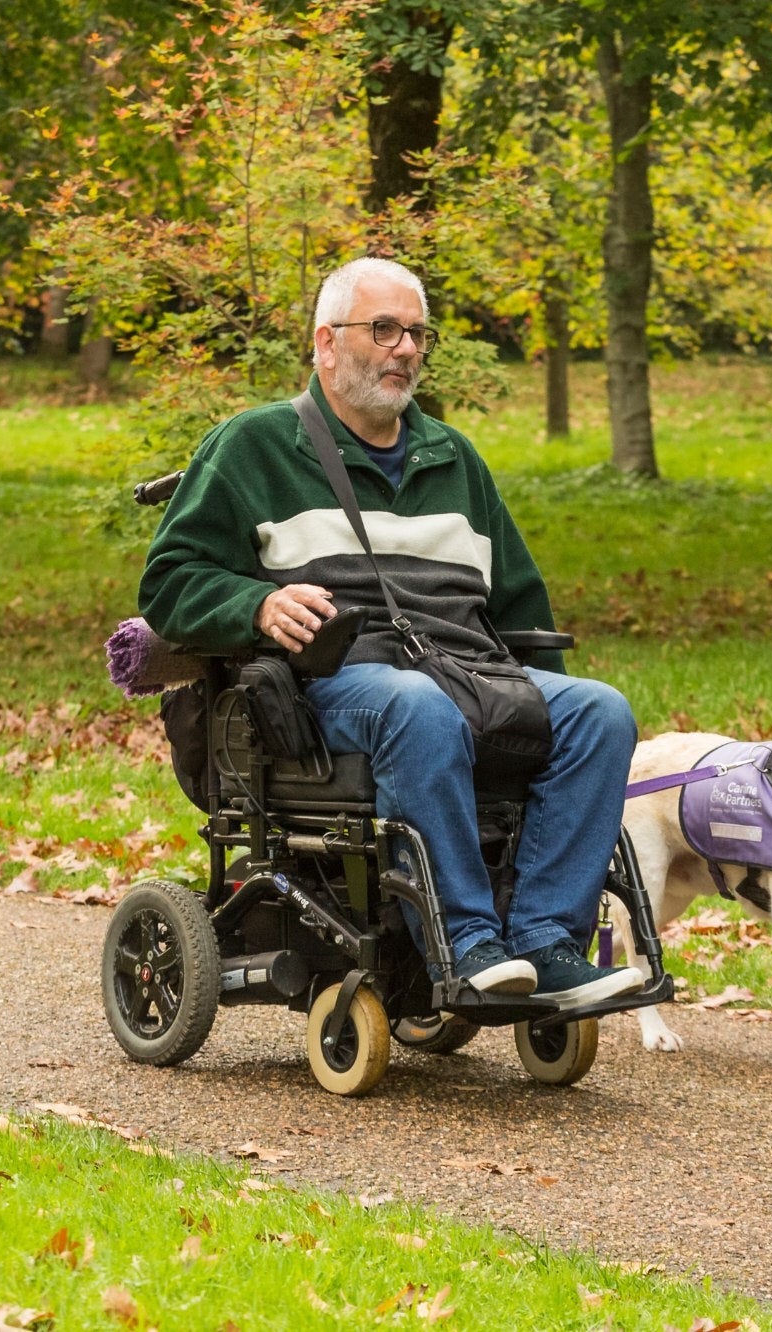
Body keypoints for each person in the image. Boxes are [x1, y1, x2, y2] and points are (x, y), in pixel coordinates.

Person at [139, 257, 644, 1009]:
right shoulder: (254, 447)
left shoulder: (453, 458)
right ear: (326, 343)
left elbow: (519, 611)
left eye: (416, 333)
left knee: (599, 711)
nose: (404, 348)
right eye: (383, 329)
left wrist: (537, 688)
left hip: (465, 670)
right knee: (416, 705)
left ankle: (545, 942)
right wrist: (255, 607)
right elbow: (170, 582)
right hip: (328, 688)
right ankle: (469, 946)